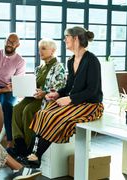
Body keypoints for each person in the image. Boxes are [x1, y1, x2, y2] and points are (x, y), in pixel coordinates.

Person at [25, 26, 104, 167]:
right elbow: (69, 87)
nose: (64, 40)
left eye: (66, 36)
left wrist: (70, 99)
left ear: (76, 38)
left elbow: (92, 90)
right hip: (76, 102)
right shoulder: (71, 60)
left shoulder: (91, 61)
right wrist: (58, 94)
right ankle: (31, 154)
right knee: (43, 113)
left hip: (91, 105)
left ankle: (36, 156)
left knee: (54, 116)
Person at [10, 38, 66, 158]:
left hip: (46, 99)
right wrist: (21, 87)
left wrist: (44, 92)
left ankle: (28, 148)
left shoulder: (58, 67)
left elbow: (61, 86)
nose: (40, 51)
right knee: (16, 108)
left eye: (44, 49)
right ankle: (19, 145)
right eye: (39, 49)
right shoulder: (39, 67)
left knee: (28, 110)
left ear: (53, 51)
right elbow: (33, 85)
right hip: (34, 96)